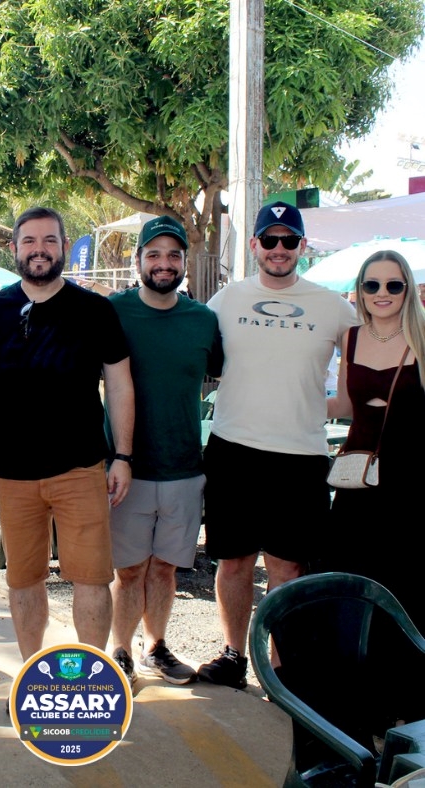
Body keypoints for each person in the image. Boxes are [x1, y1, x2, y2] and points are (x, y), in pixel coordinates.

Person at [198, 201, 356, 688]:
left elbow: (357, 385)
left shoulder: (335, 307)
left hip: (301, 457)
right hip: (233, 450)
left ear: (302, 246)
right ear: (255, 245)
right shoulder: (225, 301)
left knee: (288, 568)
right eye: (270, 239)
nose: (279, 248)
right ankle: (233, 656)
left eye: (289, 240)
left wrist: (308, 407)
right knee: (234, 561)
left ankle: (280, 671)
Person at [0, 206, 134, 661]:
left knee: (92, 579)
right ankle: (31, 675)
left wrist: (123, 456)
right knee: (23, 581)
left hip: (80, 467)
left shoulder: (94, 310)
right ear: (14, 248)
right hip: (13, 471)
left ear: (63, 246)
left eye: (48, 240)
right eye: (29, 241)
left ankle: (91, 677)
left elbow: (120, 384)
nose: (38, 250)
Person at [107, 216, 223, 686]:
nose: (164, 263)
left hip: (184, 467)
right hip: (128, 468)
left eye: (173, 255)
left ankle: (154, 647)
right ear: (138, 260)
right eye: (153, 254)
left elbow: (230, 374)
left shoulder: (203, 320)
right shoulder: (113, 312)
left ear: (184, 263)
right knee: (129, 569)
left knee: (164, 569)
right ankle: (120, 650)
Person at [326, 250, 425, 633]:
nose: (382, 293)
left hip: (411, 479)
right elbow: (344, 405)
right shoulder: (350, 338)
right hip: (359, 477)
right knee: (352, 577)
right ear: (361, 291)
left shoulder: (422, 338)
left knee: (404, 579)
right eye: (372, 285)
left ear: (407, 290)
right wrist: (289, 402)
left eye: (393, 285)